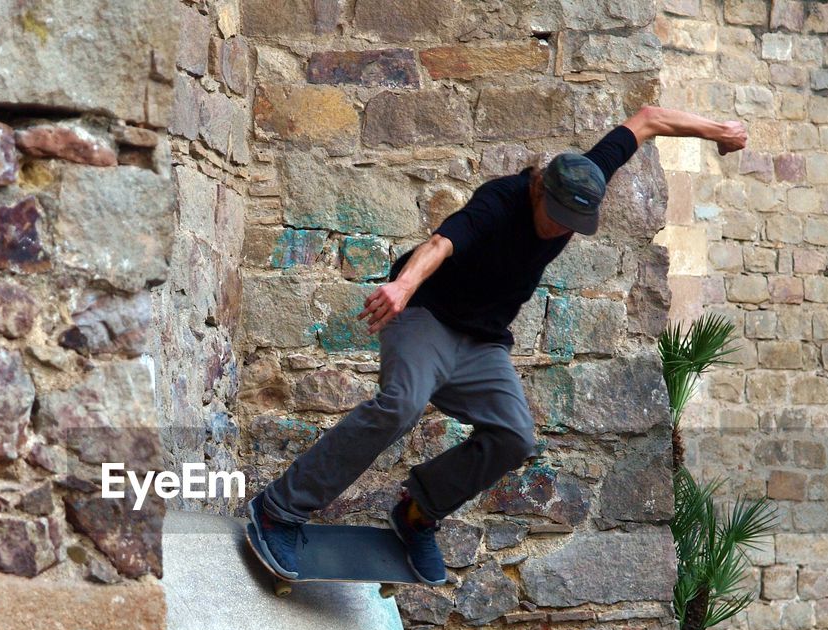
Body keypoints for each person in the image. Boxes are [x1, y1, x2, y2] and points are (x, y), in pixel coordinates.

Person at [247, 105, 748, 584]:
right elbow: (442, 242)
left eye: (573, 223)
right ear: (538, 190)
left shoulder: (586, 176)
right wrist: (402, 287)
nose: (560, 228)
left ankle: (418, 513)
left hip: (483, 342)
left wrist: (718, 130)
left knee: (514, 436)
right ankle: (279, 509)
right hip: (426, 317)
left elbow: (648, 120)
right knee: (401, 405)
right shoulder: (502, 199)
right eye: (555, 216)